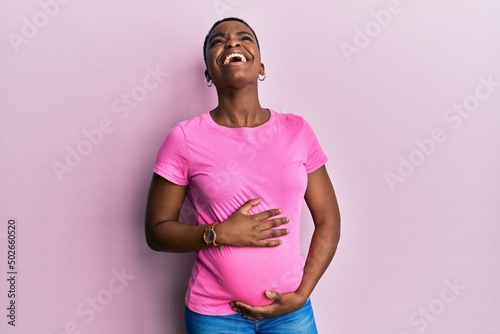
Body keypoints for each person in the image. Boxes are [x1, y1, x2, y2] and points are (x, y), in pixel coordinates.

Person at [145, 17, 341, 334]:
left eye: (244, 37)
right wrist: (219, 233)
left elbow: (329, 219)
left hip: (290, 312)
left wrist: (303, 294)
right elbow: (156, 231)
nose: (232, 42)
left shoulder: (297, 131)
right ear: (209, 72)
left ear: (261, 66)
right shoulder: (184, 138)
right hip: (214, 316)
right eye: (218, 40)